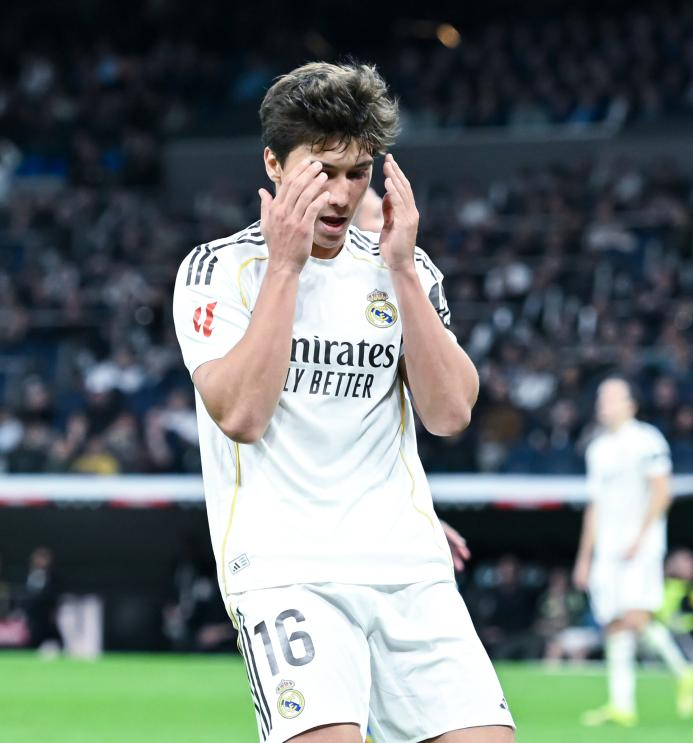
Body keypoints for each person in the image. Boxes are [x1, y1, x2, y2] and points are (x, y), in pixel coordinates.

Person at [172, 62, 513, 743]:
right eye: (322, 170)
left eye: (358, 172)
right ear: (274, 163)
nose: (340, 193)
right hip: (288, 573)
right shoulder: (220, 271)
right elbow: (241, 415)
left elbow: (450, 414)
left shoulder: (401, 266)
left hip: (408, 571)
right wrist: (287, 267)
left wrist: (402, 270)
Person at [573, 378, 693, 727]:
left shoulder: (647, 440)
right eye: (601, 397)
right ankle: (622, 706)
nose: (603, 403)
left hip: (640, 545)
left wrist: (640, 537)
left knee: (635, 617)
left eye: (611, 397)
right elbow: (594, 506)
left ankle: (684, 671)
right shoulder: (597, 449)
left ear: (630, 404)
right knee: (614, 622)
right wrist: (584, 557)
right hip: (607, 547)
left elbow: (662, 491)